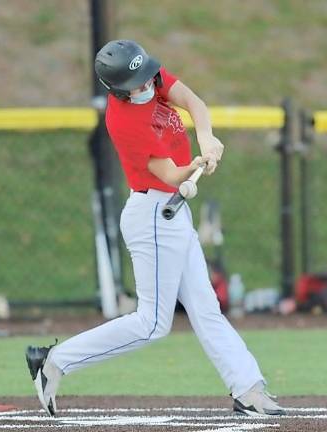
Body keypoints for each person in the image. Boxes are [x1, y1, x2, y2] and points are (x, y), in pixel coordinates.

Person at [26, 40, 285, 417]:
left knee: (205, 307)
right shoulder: (124, 121)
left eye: (146, 74)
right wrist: (194, 166)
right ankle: (54, 361)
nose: (147, 82)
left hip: (173, 214)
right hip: (153, 215)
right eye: (136, 80)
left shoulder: (150, 75)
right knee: (152, 324)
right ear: (116, 88)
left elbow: (193, 101)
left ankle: (248, 390)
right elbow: (168, 174)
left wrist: (207, 137)